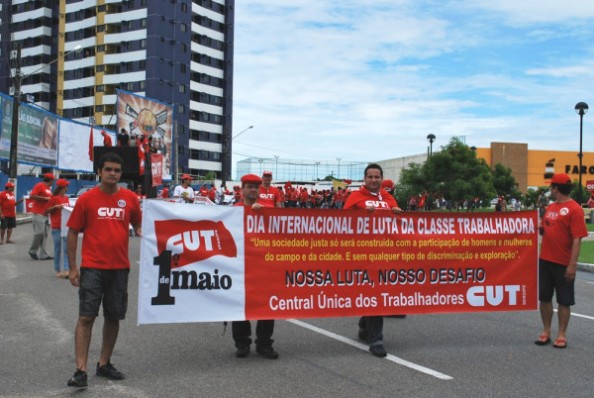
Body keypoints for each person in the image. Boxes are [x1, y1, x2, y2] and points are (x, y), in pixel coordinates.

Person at [66, 152, 142, 388]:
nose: (112, 174)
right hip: (92, 268)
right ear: (100, 171)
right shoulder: (86, 199)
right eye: (108, 169)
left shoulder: (130, 199)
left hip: (119, 268)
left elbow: (139, 226)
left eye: (117, 170)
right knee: (86, 317)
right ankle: (80, 370)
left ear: (121, 174)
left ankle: (104, 363)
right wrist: (72, 267)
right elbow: (72, 232)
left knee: (113, 317)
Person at [343, 163, 402, 357]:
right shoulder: (355, 197)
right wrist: (361, 215)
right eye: (370, 177)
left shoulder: (387, 197)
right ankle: (376, 340)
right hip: (363, 254)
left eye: (377, 177)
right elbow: (341, 223)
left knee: (377, 292)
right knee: (374, 292)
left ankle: (364, 326)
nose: (374, 180)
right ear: (365, 179)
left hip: (385, 253)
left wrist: (398, 213)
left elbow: (397, 218)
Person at [535, 173, 587, 349]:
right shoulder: (551, 208)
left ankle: (561, 334)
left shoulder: (574, 209)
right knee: (545, 298)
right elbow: (546, 229)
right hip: (545, 260)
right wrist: (541, 228)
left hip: (563, 262)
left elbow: (577, 239)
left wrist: (572, 265)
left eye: (552, 187)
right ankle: (546, 331)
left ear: (556, 188)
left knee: (564, 300)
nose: (551, 190)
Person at [232, 173, 279, 360]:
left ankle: (264, 344)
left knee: (266, 306)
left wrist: (263, 214)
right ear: (242, 189)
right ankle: (242, 343)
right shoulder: (233, 210)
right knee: (239, 305)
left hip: (263, 265)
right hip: (239, 265)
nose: (253, 190)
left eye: (256, 187)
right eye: (249, 186)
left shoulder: (268, 209)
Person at [45, 179, 71, 278]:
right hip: (56, 226)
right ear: (62, 188)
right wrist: (56, 207)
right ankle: (58, 270)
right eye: (66, 186)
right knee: (58, 249)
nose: (67, 188)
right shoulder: (54, 198)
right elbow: (46, 210)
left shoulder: (66, 198)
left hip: (65, 226)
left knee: (66, 249)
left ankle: (67, 269)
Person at [28, 173, 55, 260]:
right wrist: (45, 199)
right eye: (52, 180)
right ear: (50, 180)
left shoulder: (48, 189)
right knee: (39, 233)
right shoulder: (40, 185)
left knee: (45, 234)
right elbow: (32, 196)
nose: (53, 182)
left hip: (46, 214)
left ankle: (43, 254)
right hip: (38, 213)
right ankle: (32, 250)